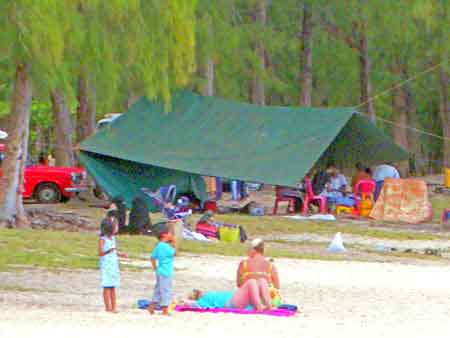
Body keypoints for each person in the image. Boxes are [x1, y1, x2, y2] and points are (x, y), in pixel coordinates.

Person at [185, 279, 273, 311]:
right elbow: (196, 305)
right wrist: (188, 302)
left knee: (262, 281)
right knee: (251, 282)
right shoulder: (203, 300)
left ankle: (269, 305)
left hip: (236, 299)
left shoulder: (211, 294)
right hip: (231, 303)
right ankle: (259, 307)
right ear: (198, 296)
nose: (201, 292)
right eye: (198, 292)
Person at [98, 218, 127, 313]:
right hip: (106, 265)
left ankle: (114, 307)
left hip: (114, 265)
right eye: (116, 226)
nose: (117, 228)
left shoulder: (113, 238)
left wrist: (120, 253)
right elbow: (100, 253)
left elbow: (114, 250)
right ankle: (107, 307)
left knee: (113, 286)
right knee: (106, 286)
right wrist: (108, 251)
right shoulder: (102, 239)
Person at [148, 232, 176, 315]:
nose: (170, 235)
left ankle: (151, 307)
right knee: (166, 290)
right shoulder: (165, 246)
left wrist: (155, 268)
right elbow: (174, 253)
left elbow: (152, 257)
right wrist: (174, 242)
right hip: (166, 272)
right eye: (168, 234)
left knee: (158, 290)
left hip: (159, 271)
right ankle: (165, 309)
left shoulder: (159, 246)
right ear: (164, 236)